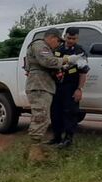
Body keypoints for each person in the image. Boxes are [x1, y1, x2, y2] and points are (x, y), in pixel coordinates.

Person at [24, 28, 82, 161]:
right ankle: (34, 151)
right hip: (39, 86)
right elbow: (48, 61)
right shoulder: (40, 45)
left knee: (43, 116)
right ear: (51, 37)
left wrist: (60, 68)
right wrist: (66, 59)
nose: (58, 44)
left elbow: (47, 65)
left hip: (42, 85)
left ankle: (35, 148)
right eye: (57, 41)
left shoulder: (44, 48)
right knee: (40, 116)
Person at [49, 27, 89, 148]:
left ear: (77, 38)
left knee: (69, 112)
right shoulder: (57, 48)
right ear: (65, 36)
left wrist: (79, 89)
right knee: (55, 112)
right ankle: (56, 137)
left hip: (71, 86)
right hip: (56, 85)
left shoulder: (79, 51)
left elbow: (83, 72)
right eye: (69, 38)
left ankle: (68, 139)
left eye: (73, 38)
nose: (71, 40)